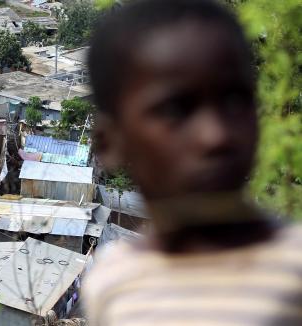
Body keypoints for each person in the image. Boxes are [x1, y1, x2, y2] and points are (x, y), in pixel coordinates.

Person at [83, 0, 302, 325]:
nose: (216, 135)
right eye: (176, 110)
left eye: (235, 100)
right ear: (110, 142)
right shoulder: (113, 284)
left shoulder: (293, 266)